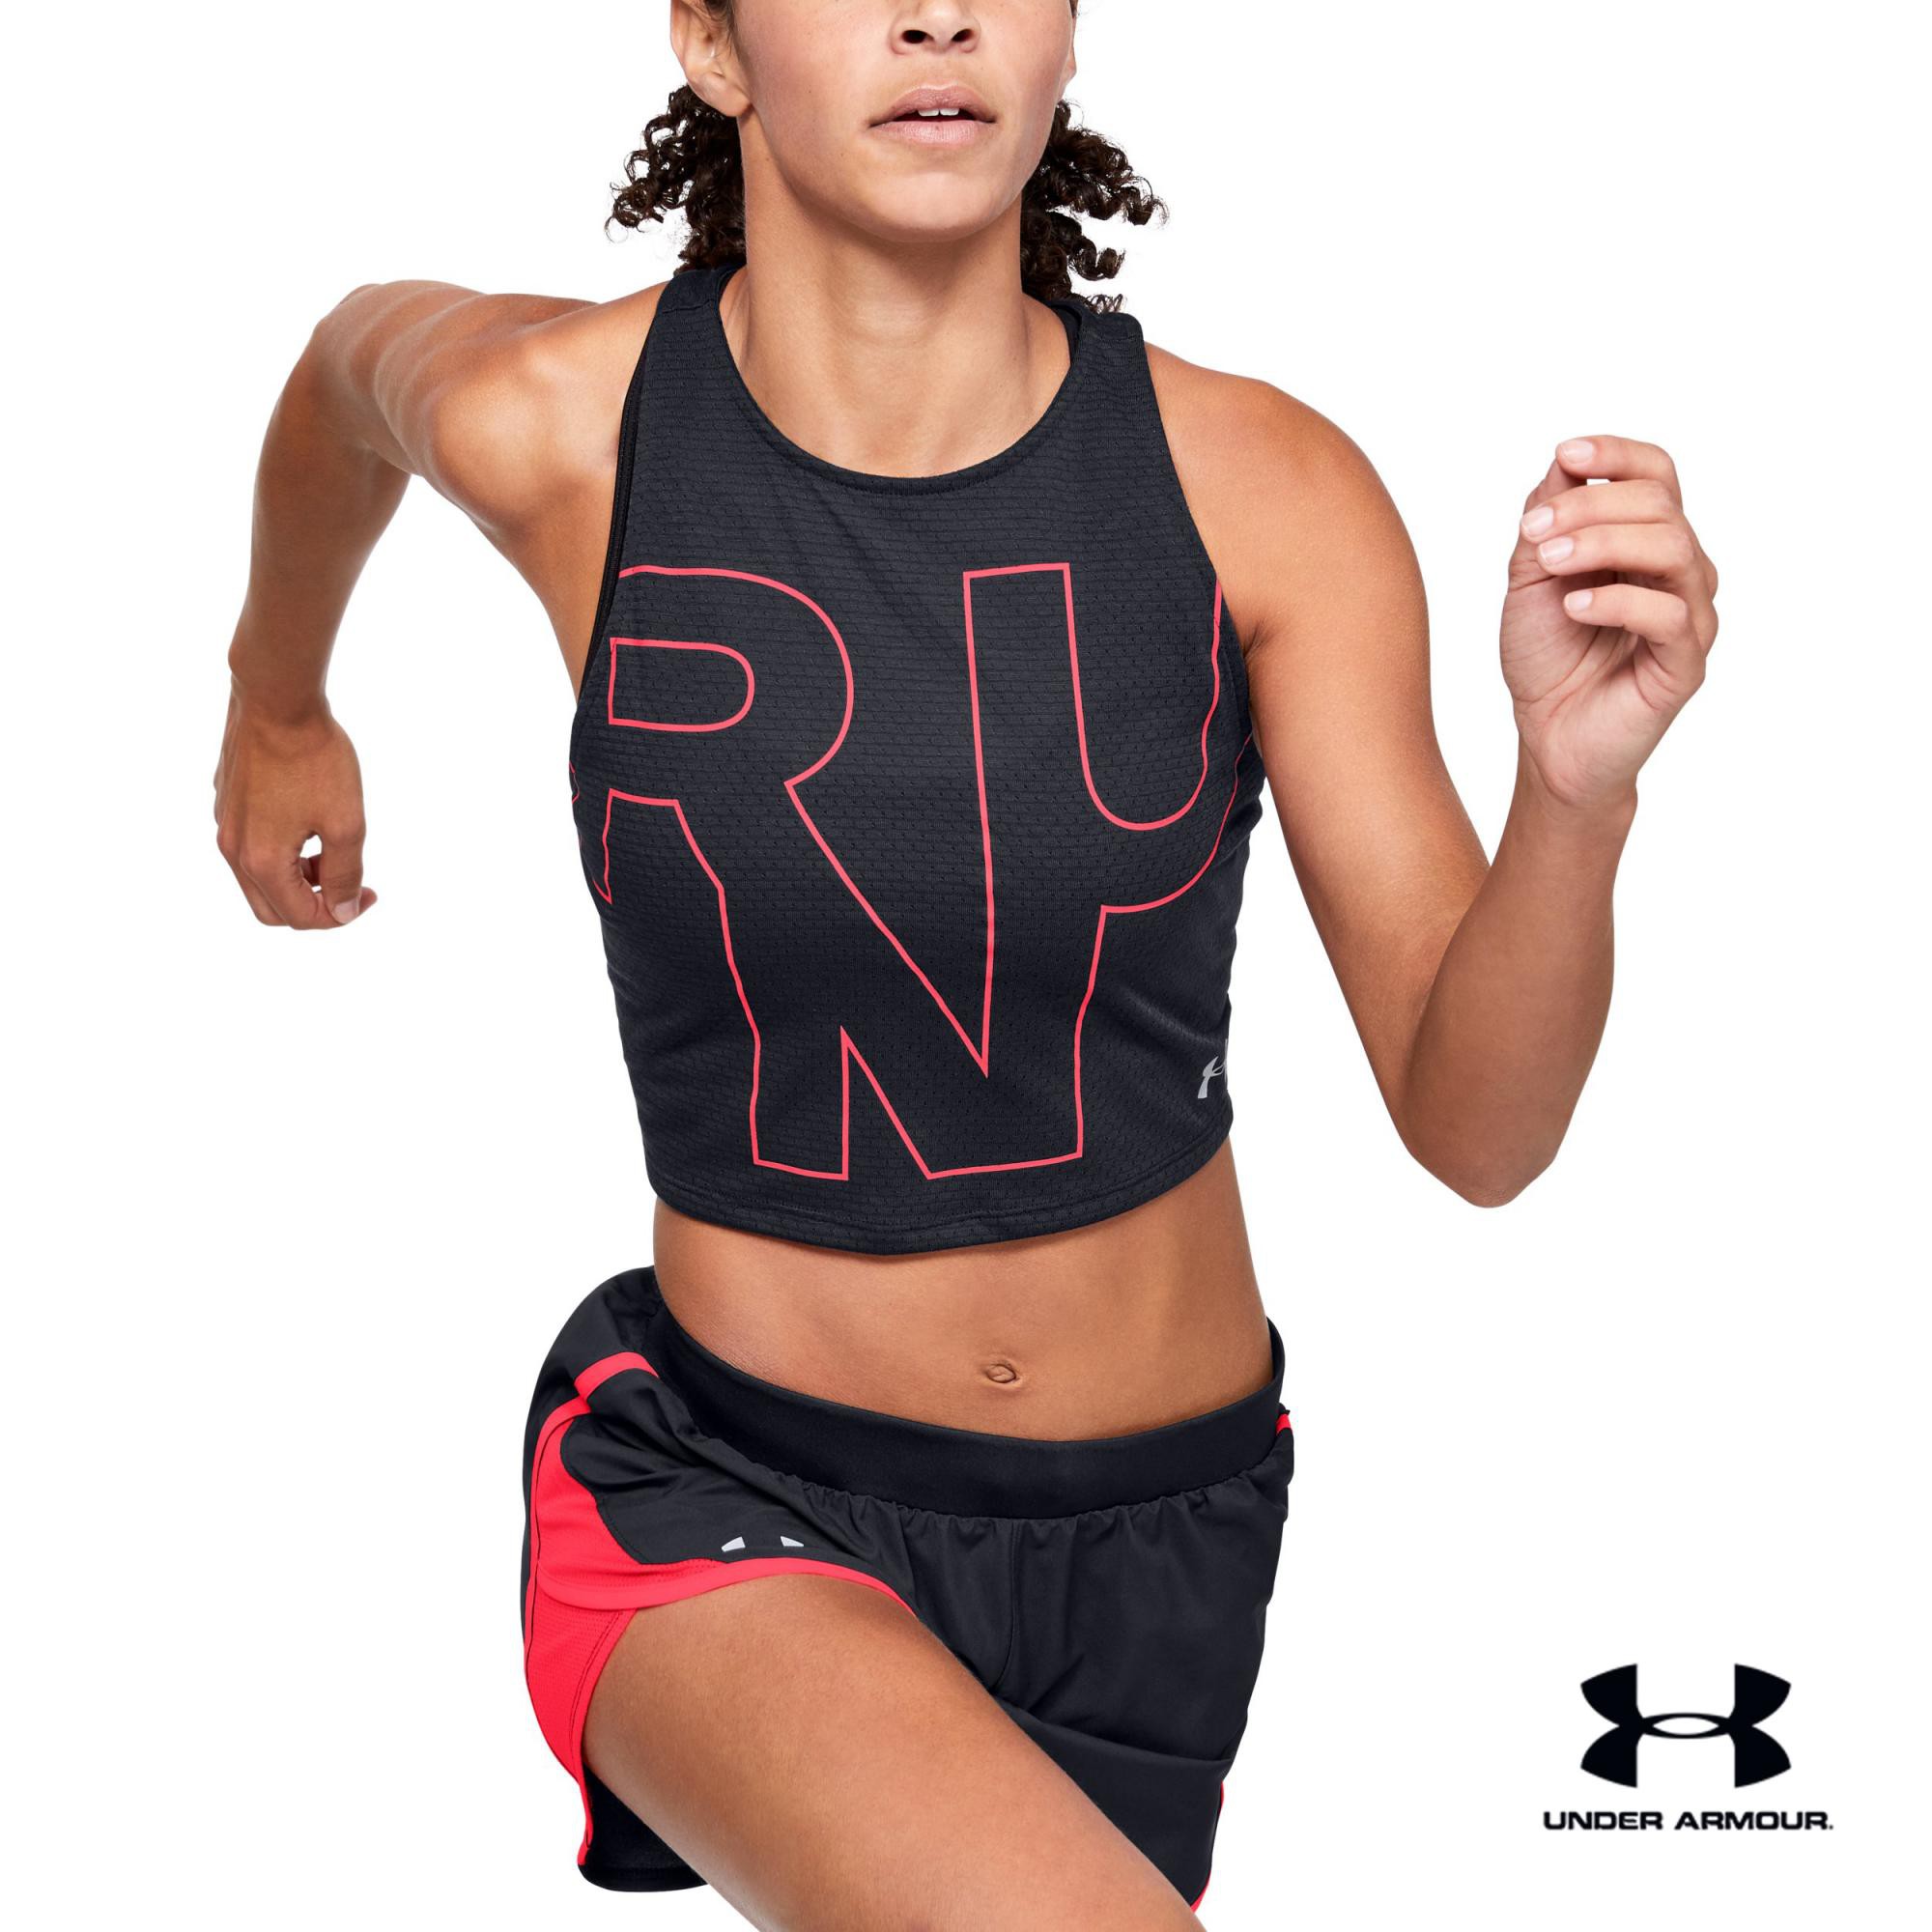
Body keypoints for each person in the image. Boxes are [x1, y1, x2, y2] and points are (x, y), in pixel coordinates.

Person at [212, 2, 1719, 1924]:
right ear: (714, 45)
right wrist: (276, 699)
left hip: (1165, 1531)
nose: (937, 12)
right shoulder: (572, 428)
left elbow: (1477, 1127)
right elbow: (350, 362)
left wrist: (1574, 795)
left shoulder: (1262, 488)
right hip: (724, 1486)